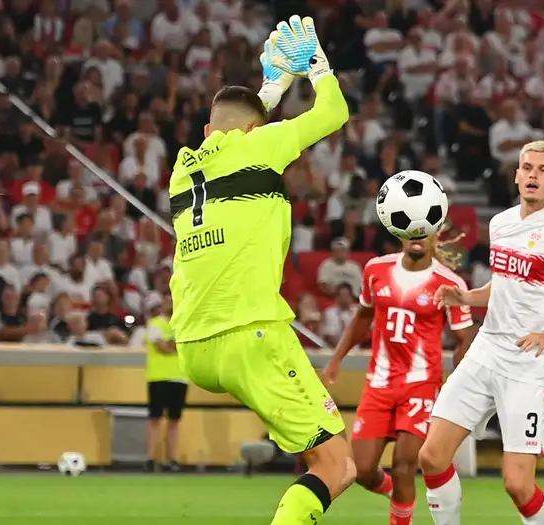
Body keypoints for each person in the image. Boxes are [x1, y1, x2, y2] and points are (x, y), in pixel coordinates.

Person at [168, 17, 354, 525]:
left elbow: (235, 131)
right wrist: (316, 66)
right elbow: (334, 112)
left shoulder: (182, 168)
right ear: (258, 129)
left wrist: (271, 90)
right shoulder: (260, 146)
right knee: (338, 466)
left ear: (207, 133)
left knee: (329, 455)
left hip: (193, 348)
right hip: (248, 333)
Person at [421, 140, 544, 525]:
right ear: (516, 175)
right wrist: (466, 296)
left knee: (518, 485)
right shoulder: (500, 223)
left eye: (543, 169)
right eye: (527, 167)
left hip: (529, 366)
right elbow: (503, 285)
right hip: (485, 351)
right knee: (431, 457)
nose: (533, 175)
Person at [322, 231, 478, 525]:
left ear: (435, 236)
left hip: (421, 385)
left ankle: (401, 514)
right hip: (379, 384)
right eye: (410, 231)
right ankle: (394, 493)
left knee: (405, 465)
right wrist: (337, 357)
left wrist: (460, 383)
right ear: (399, 233)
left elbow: (464, 338)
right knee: (361, 470)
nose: (417, 237)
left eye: (424, 232)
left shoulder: (449, 283)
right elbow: (363, 316)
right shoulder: (376, 269)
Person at [144, 293, 185, 472]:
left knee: (174, 420)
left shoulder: (183, 324)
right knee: (155, 418)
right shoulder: (155, 324)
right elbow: (164, 348)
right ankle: (151, 458)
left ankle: (172, 459)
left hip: (180, 377)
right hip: (158, 377)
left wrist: (171, 345)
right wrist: (175, 344)